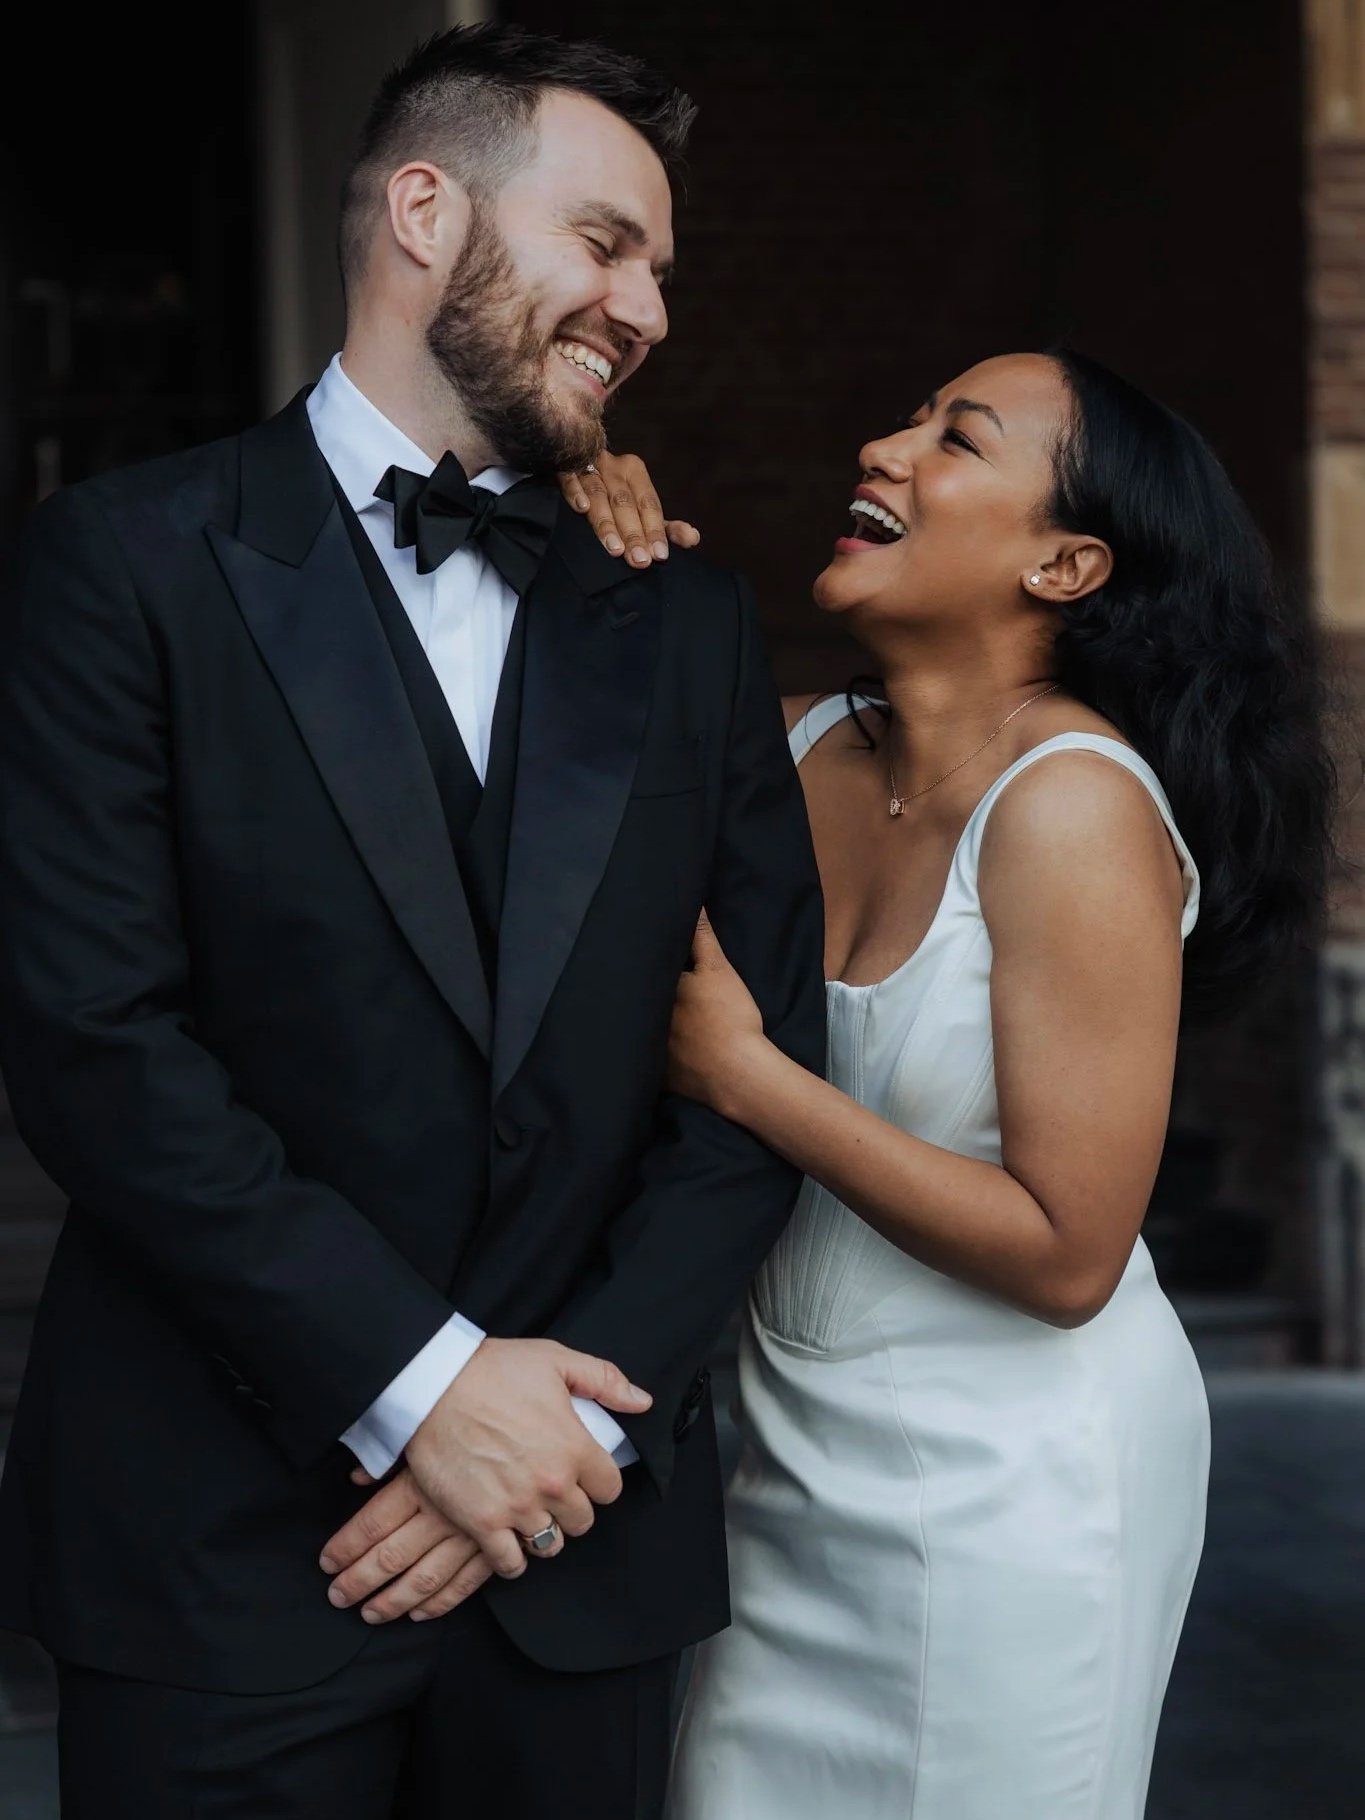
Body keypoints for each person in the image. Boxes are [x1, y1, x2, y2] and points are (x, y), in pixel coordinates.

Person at [0, 24, 825, 1820]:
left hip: (576, 1556)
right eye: (606, 242)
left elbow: (758, 1079)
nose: (646, 307)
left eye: (662, 273)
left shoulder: (686, 620)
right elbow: (93, 1042)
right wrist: (423, 1387)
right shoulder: (122, 564)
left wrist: (560, 1439)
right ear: (427, 212)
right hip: (216, 1544)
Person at [639, 349, 1333, 1818]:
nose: (881, 448)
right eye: (901, 415)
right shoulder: (797, 748)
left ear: (1065, 562)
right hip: (788, 1448)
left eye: (951, 438)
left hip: (1022, 1479)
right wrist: (586, 541)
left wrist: (753, 1082)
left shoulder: (1071, 805)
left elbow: (1070, 1254)